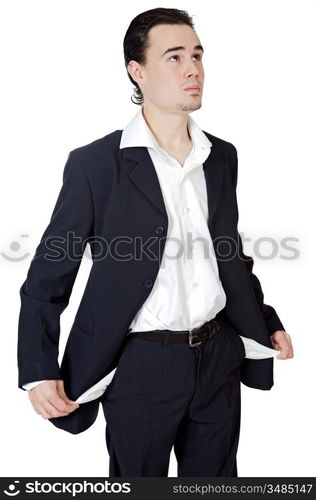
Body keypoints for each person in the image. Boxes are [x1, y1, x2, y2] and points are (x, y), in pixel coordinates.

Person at [18, 7, 293, 477]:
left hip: (219, 355)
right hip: (141, 365)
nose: (193, 69)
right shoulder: (96, 165)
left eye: (197, 55)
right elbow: (48, 275)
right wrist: (39, 369)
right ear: (137, 70)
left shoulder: (220, 157)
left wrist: (265, 319)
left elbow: (227, 252)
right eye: (174, 57)